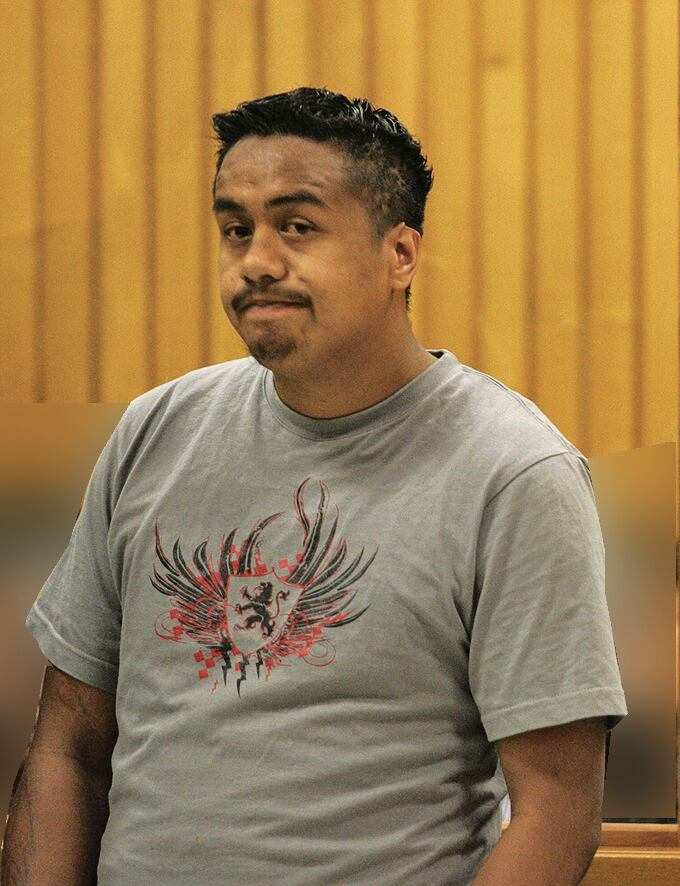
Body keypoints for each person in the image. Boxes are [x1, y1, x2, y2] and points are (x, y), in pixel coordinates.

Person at [1, 88, 625, 886]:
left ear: (400, 254)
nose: (256, 259)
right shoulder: (156, 430)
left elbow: (557, 813)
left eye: (297, 226)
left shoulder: (514, 473)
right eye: (236, 229)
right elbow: (66, 745)